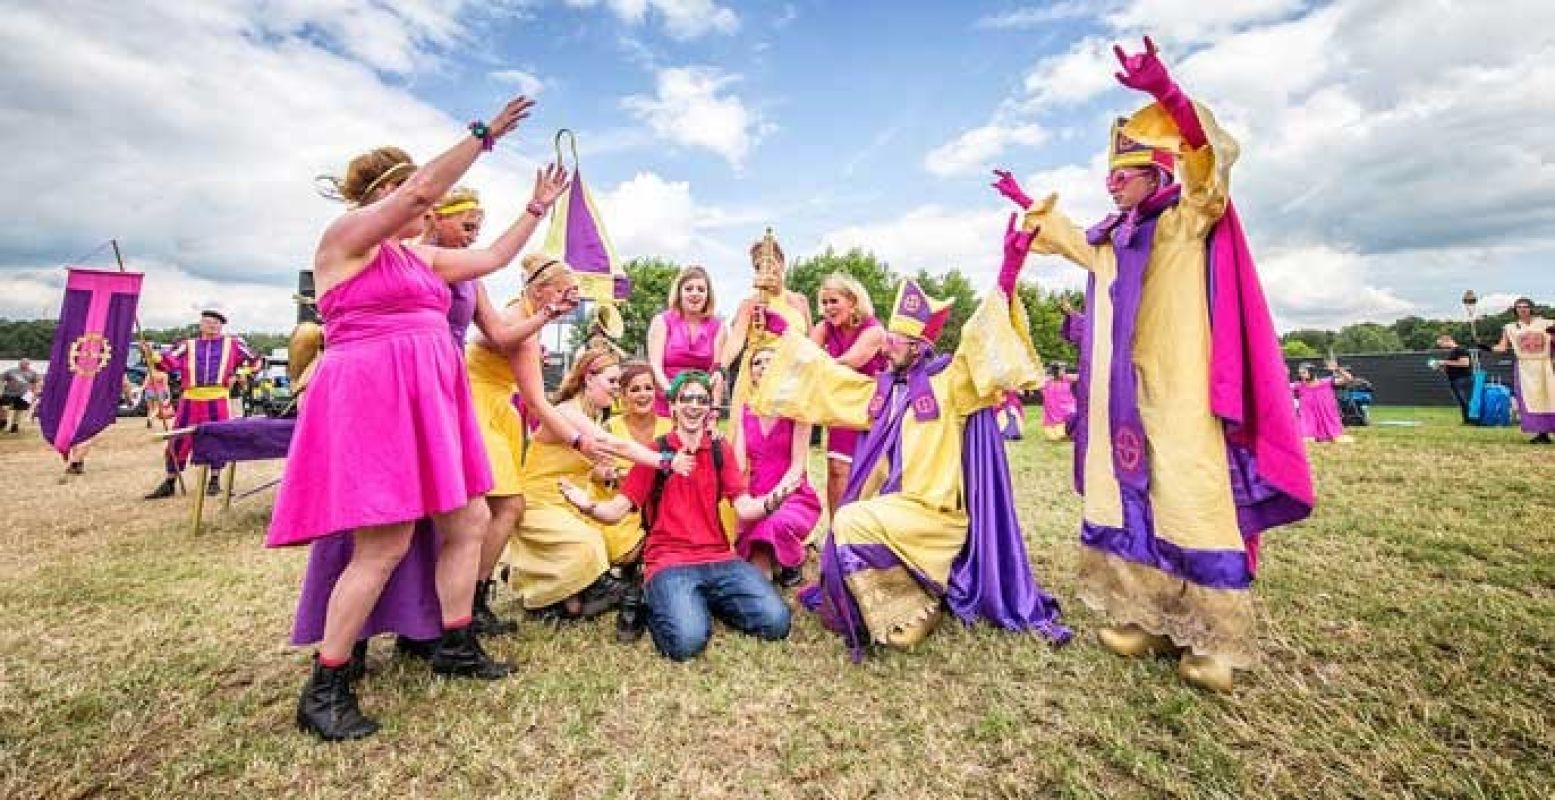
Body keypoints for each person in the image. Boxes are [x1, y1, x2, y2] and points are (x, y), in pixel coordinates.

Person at [993, 36, 1314, 691]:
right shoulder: (1110, 241)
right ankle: (1151, 618)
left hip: (1181, 392)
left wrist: (1164, 93)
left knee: (1191, 500)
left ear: (1156, 176)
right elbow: (1060, 238)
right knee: (1126, 500)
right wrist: (1022, 197)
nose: (1110, 182)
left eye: (1123, 173)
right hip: (1120, 401)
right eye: (1108, 174)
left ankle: (1216, 645)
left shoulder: (1185, 220)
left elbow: (1207, 161)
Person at [264, 94, 538, 742]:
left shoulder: (422, 259)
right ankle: (325, 684)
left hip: (427, 396)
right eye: (404, 193)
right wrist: (483, 135)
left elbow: (493, 260)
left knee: (467, 517)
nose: (424, 208)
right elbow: (419, 194)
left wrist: (536, 208)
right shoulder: (345, 243)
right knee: (382, 543)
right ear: (378, 197)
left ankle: (453, 641)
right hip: (371, 395)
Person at [289, 178, 575, 675]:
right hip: (391, 389)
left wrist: (545, 309)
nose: (473, 232)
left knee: (463, 520)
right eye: (466, 223)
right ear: (432, 213)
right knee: (380, 530)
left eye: (478, 226)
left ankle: (442, 636)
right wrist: (483, 140)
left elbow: (502, 321)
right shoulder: (385, 254)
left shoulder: (458, 271)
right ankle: (346, 649)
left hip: (440, 393)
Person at [749, 221, 1071, 658]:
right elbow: (828, 379)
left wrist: (1010, 267)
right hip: (894, 506)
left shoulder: (949, 383)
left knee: (849, 522)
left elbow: (981, 338)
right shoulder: (882, 389)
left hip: (934, 516)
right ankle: (907, 601)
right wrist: (779, 328)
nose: (888, 341)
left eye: (898, 337)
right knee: (850, 519)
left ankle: (923, 597)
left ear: (919, 345)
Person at [560, 371, 798, 661]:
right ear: (673, 407)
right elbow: (615, 512)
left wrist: (773, 501)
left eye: (701, 399)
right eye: (686, 398)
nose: (694, 405)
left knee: (777, 623)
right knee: (686, 643)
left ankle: (702, 601)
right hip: (670, 561)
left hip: (720, 559)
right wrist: (587, 505)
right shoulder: (655, 453)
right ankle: (655, 600)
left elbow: (745, 507)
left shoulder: (720, 450)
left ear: (710, 409)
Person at [507, 347, 694, 622]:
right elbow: (619, 445)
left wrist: (606, 472)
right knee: (590, 542)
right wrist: (665, 461)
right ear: (588, 378)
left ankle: (576, 597)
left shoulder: (594, 416)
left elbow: (585, 465)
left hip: (570, 502)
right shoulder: (567, 412)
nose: (617, 389)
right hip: (540, 504)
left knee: (576, 601)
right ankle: (571, 593)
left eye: (619, 383)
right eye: (613, 382)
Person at [141, 311, 261, 498]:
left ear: (221, 326)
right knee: (179, 438)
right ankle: (170, 480)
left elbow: (256, 360)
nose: (212, 325)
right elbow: (168, 362)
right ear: (201, 325)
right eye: (208, 322)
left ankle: (214, 480)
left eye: (216, 323)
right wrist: (152, 355)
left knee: (218, 436)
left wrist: (241, 374)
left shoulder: (233, 344)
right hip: (190, 399)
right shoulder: (187, 346)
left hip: (217, 398)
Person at [731, 346, 821, 587]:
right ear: (751, 374)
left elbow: (797, 468)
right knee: (759, 575)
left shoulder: (799, 409)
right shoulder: (744, 411)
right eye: (757, 362)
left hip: (792, 494)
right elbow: (737, 465)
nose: (763, 365)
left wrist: (772, 500)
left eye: (770, 361)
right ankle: (774, 560)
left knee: (773, 523)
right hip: (756, 495)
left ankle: (793, 559)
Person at [599, 361, 670, 640]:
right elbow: (595, 470)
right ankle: (634, 574)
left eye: (648, 388)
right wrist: (611, 474)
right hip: (622, 503)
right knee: (621, 542)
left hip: (663, 504)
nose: (642, 395)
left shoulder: (670, 425)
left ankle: (639, 583)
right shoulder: (608, 426)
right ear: (623, 395)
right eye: (635, 389)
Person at [808, 273, 887, 516]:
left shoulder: (873, 329)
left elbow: (853, 360)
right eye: (825, 302)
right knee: (836, 469)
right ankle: (837, 534)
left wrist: (821, 364)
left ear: (852, 301)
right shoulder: (823, 328)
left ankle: (864, 534)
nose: (828, 308)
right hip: (843, 407)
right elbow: (807, 355)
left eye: (834, 301)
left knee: (874, 474)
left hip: (875, 407)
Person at [721, 230, 813, 420]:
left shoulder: (800, 301)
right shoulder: (749, 303)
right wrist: (720, 367)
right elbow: (736, 340)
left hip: (791, 375)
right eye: (758, 267)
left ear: (782, 264)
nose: (766, 271)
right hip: (755, 376)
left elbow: (811, 342)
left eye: (771, 265)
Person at [647, 265, 726, 416]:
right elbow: (655, 366)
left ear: (708, 295)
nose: (695, 294)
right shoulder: (661, 321)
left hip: (700, 404)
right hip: (666, 401)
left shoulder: (719, 327)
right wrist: (672, 393)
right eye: (689, 289)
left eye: (701, 289)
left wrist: (714, 412)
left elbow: (718, 373)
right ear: (679, 293)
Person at [1492, 298, 1555, 444]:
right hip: (1525, 367)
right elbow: (1502, 347)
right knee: (1533, 400)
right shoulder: (1510, 327)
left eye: (1525, 306)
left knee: (1551, 397)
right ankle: (1542, 433)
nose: (1522, 309)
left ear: (1531, 308)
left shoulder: (1546, 323)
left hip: (1546, 364)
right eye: (1519, 307)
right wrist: (1486, 347)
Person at [1293, 362, 1353, 444]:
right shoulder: (1299, 386)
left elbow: (1348, 379)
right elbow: (1283, 387)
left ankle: (1326, 437)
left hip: (1327, 418)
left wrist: (1338, 369)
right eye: (1300, 373)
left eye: (1304, 373)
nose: (1301, 375)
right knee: (1308, 441)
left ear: (1312, 372)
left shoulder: (1327, 382)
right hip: (1309, 420)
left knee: (1339, 440)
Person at [1433, 334, 1476, 424]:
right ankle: (1467, 420)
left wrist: (1444, 362)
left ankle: (1471, 420)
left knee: (1465, 400)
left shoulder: (1461, 349)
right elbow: (1453, 365)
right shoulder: (1453, 352)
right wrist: (1441, 367)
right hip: (1455, 379)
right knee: (1462, 401)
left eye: (1441, 344)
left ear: (1447, 341)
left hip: (1463, 379)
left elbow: (1465, 363)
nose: (1441, 347)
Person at [1038, 365, 1078, 441]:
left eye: (1063, 370)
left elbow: (1080, 376)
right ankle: (1064, 432)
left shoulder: (1067, 379)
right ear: (1055, 372)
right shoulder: (1047, 382)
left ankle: (1071, 433)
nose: (1064, 372)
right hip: (1052, 417)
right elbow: (1036, 384)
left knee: (1074, 416)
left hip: (1068, 413)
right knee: (1055, 438)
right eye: (1061, 370)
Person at [2, 358, 41, 433]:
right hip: (9, 393)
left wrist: (34, 393)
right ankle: (3, 421)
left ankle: (15, 426)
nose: (24, 365)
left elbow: (35, 383)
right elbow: (2, 378)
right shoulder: (11, 371)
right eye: (22, 363)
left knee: (19, 410)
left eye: (26, 364)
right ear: (19, 363)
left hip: (23, 394)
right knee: (4, 408)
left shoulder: (33, 373)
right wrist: (3, 385)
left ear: (29, 364)